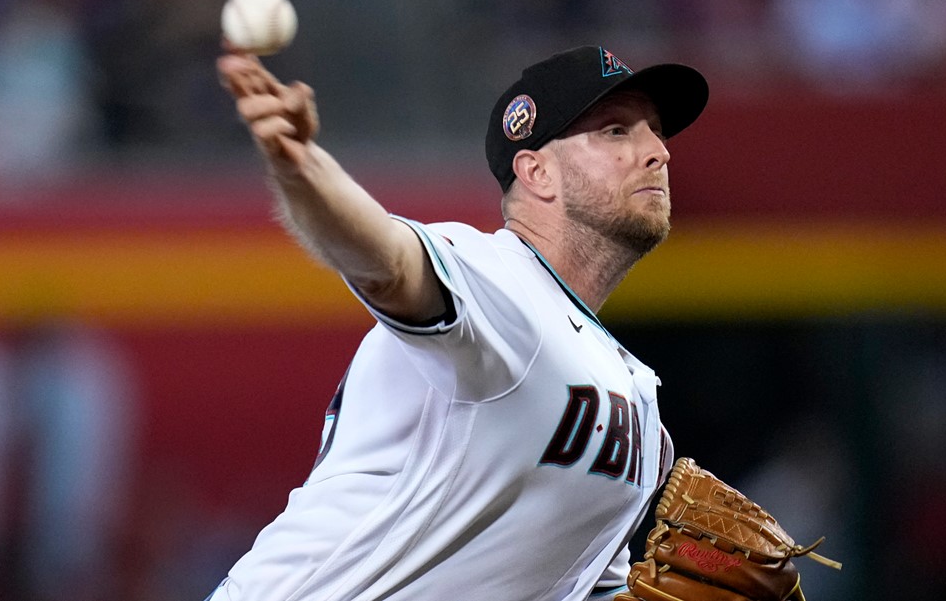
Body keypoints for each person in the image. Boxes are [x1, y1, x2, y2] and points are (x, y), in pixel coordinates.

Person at [210, 44, 708, 601]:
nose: (656, 152)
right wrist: (301, 166)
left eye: (656, 130)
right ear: (536, 170)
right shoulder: (495, 277)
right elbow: (386, 262)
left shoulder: (638, 405)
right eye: (616, 131)